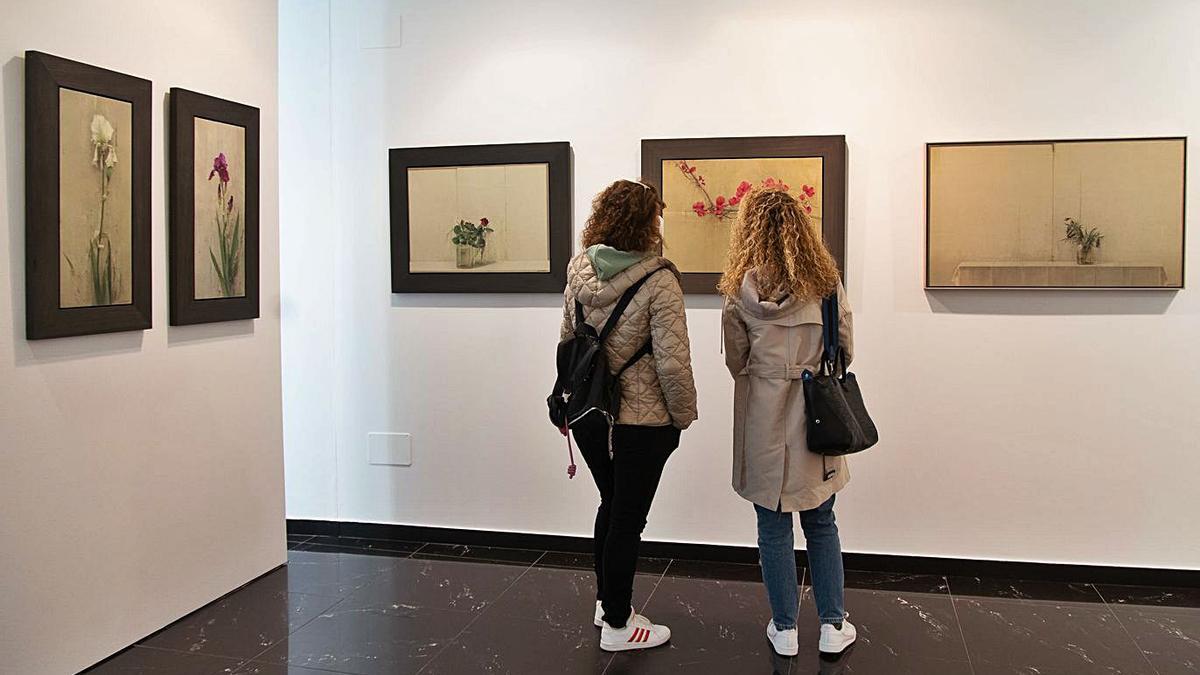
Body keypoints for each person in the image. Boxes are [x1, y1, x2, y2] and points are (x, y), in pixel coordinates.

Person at [719, 185, 857, 657]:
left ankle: (785, 629)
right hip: (816, 420)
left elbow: (736, 362)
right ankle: (833, 626)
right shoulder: (826, 287)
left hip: (763, 417)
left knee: (772, 525)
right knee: (822, 521)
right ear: (802, 229)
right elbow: (845, 352)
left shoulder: (739, 293)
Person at [561, 179, 697, 652]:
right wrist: (683, 415)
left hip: (589, 414)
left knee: (610, 505)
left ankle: (606, 602)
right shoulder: (659, 279)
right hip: (642, 420)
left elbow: (568, 345)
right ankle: (619, 626)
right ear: (647, 224)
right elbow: (673, 362)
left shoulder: (579, 270)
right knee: (627, 519)